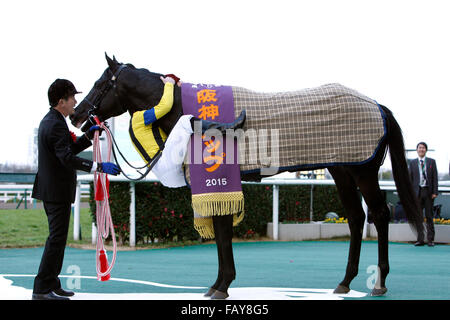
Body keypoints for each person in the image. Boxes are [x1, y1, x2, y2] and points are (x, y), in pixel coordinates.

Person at [31, 79, 121, 300]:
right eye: (72, 98)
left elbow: (68, 148)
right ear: (61, 101)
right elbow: (67, 157)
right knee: (56, 238)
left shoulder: (54, 122)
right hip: (55, 191)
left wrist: (89, 135)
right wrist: (99, 166)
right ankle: (42, 288)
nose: (75, 102)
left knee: (58, 238)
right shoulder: (54, 125)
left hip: (54, 190)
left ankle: (52, 283)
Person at [129, 75, 245, 188]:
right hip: (165, 165)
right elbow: (165, 106)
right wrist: (169, 83)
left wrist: (184, 90)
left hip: (168, 177)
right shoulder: (138, 117)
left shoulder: (137, 126)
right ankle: (228, 129)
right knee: (185, 121)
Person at [408, 142, 438, 247]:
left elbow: (435, 178)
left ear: (426, 150)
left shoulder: (431, 162)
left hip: (428, 192)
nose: (421, 149)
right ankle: (420, 239)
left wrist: (435, 192)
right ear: (417, 150)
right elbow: (410, 180)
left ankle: (430, 240)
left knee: (429, 216)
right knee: (418, 217)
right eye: (420, 148)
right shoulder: (412, 163)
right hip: (417, 193)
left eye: (423, 148)